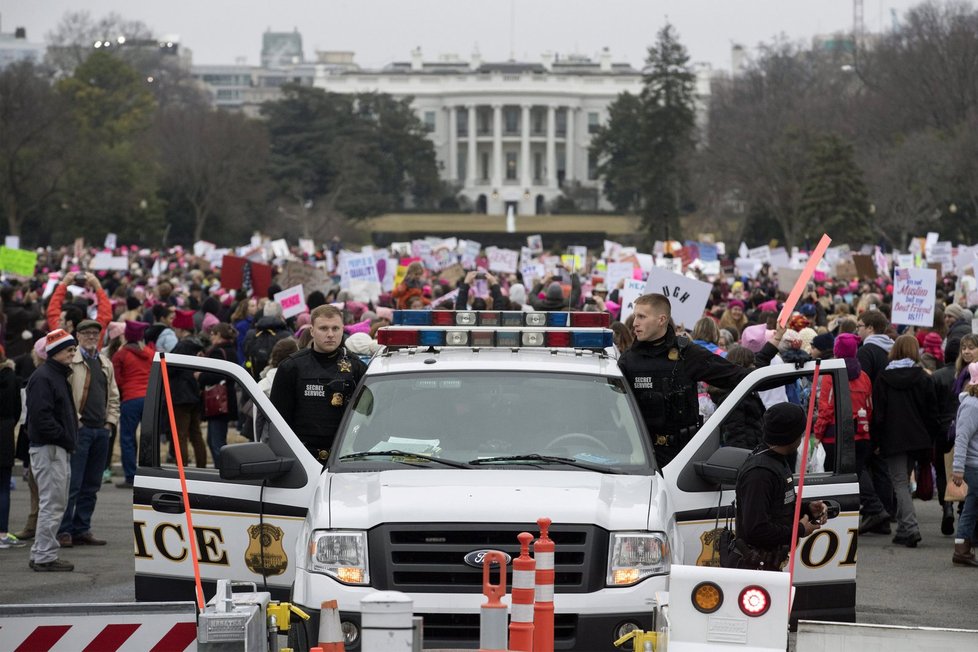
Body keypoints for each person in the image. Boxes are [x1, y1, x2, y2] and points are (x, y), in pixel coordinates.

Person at [618, 294, 777, 466]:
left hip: (684, 457)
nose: (634, 323)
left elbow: (738, 376)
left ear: (661, 319)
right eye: (635, 316)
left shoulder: (687, 354)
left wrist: (787, 368)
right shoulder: (628, 361)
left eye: (641, 316)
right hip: (642, 457)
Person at [730, 402, 827, 571]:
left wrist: (808, 509)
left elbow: (777, 507)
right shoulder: (760, 473)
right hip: (755, 568)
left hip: (771, 563)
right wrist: (799, 530)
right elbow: (756, 529)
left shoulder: (777, 459)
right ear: (791, 436)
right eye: (801, 431)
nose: (803, 435)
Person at [270, 305, 367, 463]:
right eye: (323, 328)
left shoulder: (357, 367)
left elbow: (367, 418)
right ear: (312, 331)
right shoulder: (291, 367)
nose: (330, 334)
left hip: (345, 457)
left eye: (335, 328)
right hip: (302, 457)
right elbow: (278, 422)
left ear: (343, 329)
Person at [871, 334, 942, 548]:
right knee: (901, 482)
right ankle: (903, 528)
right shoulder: (923, 377)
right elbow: (932, 412)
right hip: (918, 439)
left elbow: (879, 414)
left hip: (893, 439)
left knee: (900, 482)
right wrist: (931, 437)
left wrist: (875, 440)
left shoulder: (883, 378)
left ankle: (910, 528)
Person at [57, 320, 120, 548]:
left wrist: (110, 423)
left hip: (101, 431)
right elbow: (64, 395)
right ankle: (64, 530)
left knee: (92, 485)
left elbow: (113, 396)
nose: (92, 337)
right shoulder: (72, 362)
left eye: (95, 333)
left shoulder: (104, 362)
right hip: (81, 430)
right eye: (87, 333)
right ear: (78, 335)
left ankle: (82, 528)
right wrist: (77, 422)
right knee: (73, 484)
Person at [26, 329, 79, 572]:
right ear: (56, 351)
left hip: (55, 447)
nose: (73, 353)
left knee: (55, 503)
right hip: (49, 449)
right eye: (69, 349)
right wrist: (64, 436)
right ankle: (43, 556)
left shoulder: (53, 375)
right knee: (52, 503)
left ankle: (43, 552)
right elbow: (41, 417)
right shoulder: (44, 377)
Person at [111, 320, 154, 488]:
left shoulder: (120, 355)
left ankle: (131, 476)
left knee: (127, 439)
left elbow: (117, 380)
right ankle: (150, 476)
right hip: (149, 399)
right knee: (148, 439)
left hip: (130, 399)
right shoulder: (150, 353)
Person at [198, 323, 239, 467]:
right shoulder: (231, 351)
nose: (211, 337)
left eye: (213, 334)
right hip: (226, 399)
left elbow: (214, 376)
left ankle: (223, 473)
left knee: (216, 442)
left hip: (218, 401)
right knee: (216, 439)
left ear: (219, 335)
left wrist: (200, 376)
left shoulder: (217, 352)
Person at [951, 361, 978, 567]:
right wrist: (958, 468)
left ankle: (963, 546)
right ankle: (962, 547)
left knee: (972, 504)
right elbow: (962, 438)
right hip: (973, 465)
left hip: (973, 463)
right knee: (972, 504)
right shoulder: (972, 405)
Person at [168, 337, 208, 468]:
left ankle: (182, 467)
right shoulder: (195, 351)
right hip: (194, 396)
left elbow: (169, 370)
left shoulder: (179, 350)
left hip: (180, 398)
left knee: (180, 435)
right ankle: (201, 466)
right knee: (196, 434)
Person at [0, 343, 24, 548]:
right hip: (5, 435)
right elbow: (18, 411)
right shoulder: (13, 380)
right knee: (3, 488)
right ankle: (2, 534)